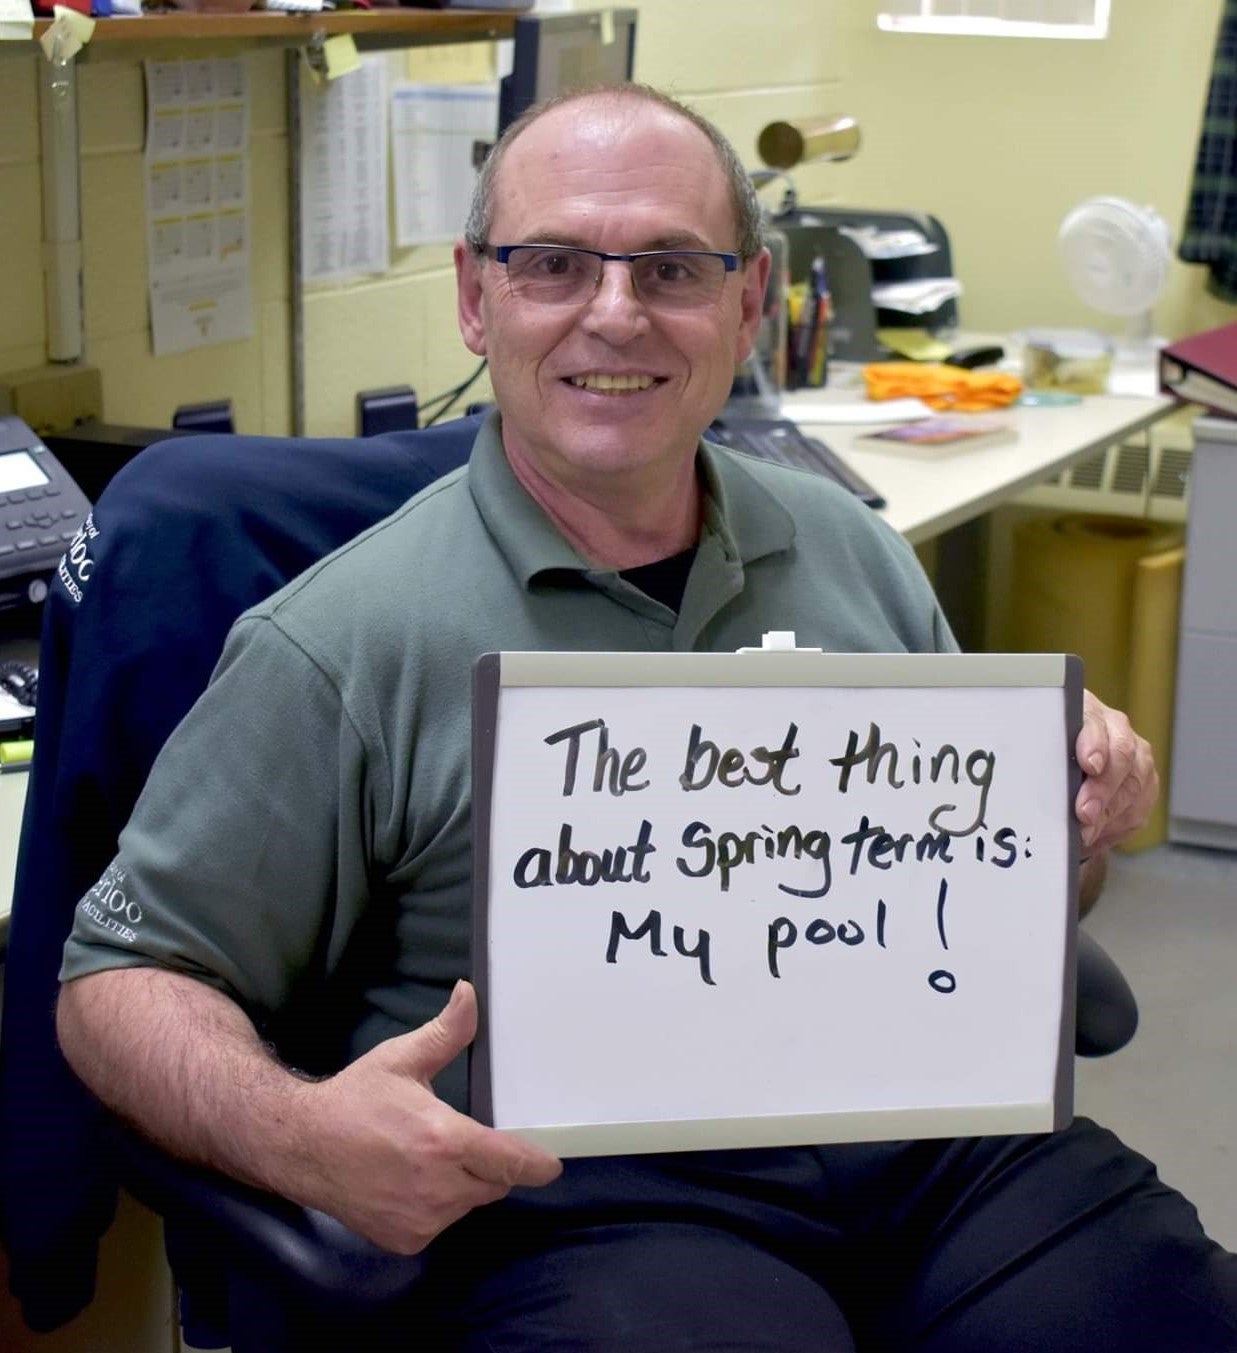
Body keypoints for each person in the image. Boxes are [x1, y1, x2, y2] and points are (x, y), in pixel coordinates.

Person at [56, 84, 1236, 1351]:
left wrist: (1075, 826)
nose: (613, 313)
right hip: (595, 1200)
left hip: (940, 1150)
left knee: (1162, 1315)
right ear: (475, 296)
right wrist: (296, 1134)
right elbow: (118, 980)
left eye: (671, 267)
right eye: (552, 263)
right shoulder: (342, 642)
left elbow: (1020, 905)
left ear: (746, 301)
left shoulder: (856, 552)